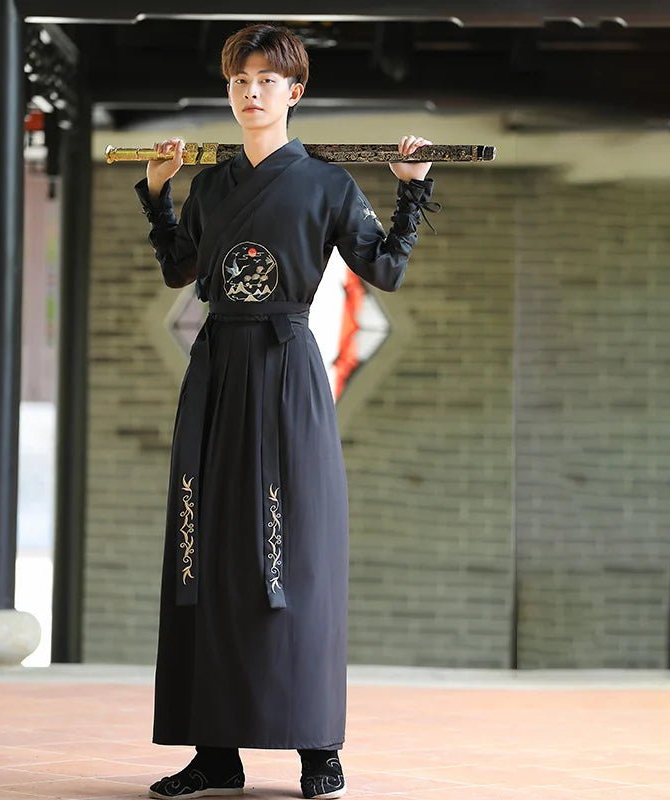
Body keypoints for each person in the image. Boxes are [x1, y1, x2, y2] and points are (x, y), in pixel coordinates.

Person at [134, 23, 440, 800]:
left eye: (266, 80)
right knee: (208, 549)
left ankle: (318, 748)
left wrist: (411, 187)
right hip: (215, 370)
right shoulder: (212, 185)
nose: (251, 92)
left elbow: (385, 270)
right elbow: (180, 269)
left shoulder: (327, 184)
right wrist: (159, 192)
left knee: (296, 551)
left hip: (286, 370)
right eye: (240, 79)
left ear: (293, 92)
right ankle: (215, 752)